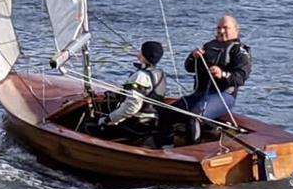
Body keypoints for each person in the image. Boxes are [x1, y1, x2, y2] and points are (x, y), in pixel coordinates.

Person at [156, 14, 251, 146]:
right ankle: (165, 147)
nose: (221, 31)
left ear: (236, 29)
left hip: (223, 96)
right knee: (167, 112)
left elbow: (241, 77)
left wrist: (222, 74)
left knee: (194, 116)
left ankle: (193, 151)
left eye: (225, 28)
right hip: (200, 94)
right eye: (218, 28)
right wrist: (193, 57)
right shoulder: (209, 46)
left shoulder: (239, 52)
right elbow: (189, 68)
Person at [90, 40, 167, 143]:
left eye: (141, 50)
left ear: (143, 54)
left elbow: (131, 107)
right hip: (153, 122)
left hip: (137, 126)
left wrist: (108, 120)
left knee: (90, 126)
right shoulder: (160, 74)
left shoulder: (140, 76)